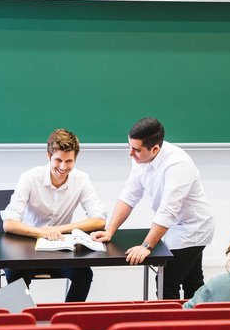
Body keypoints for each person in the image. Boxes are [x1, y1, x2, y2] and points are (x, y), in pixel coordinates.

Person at [92, 117, 214, 300]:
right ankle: (194, 324)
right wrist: (110, 231)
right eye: (130, 147)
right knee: (193, 282)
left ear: (155, 149)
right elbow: (129, 195)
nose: (130, 153)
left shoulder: (178, 164)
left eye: (136, 150)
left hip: (192, 229)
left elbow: (168, 210)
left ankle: (173, 327)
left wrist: (146, 246)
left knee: (167, 283)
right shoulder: (140, 158)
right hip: (172, 228)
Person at [1, 128, 106, 302]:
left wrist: (57, 230)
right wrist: (43, 232)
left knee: (84, 275)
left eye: (69, 161)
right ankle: (23, 323)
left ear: (75, 159)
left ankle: (66, 321)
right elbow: (9, 224)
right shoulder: (29, 177)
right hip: (28, 248)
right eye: (58, 160)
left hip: (61, 248)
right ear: (48, 156)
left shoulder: (82, 179)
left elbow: (99, 220)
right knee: (15, 275)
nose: (63, 167)